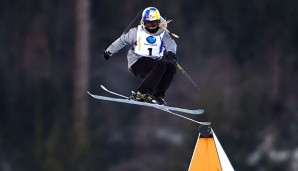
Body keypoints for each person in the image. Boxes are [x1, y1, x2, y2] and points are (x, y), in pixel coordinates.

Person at [103, 7, 178, 105]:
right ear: (143, 23)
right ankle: (141, 93)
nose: (151, 27)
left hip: (152, 66)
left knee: (171, 67)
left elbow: (170, 43)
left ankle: (157, 95)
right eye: (148, 24)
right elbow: (122, 41)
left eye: (154, 24)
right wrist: (109, 51)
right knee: (161, 65)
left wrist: (171, 52)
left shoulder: (162, 33)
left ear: (158, 22)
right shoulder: (137, 32)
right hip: (137, 63)